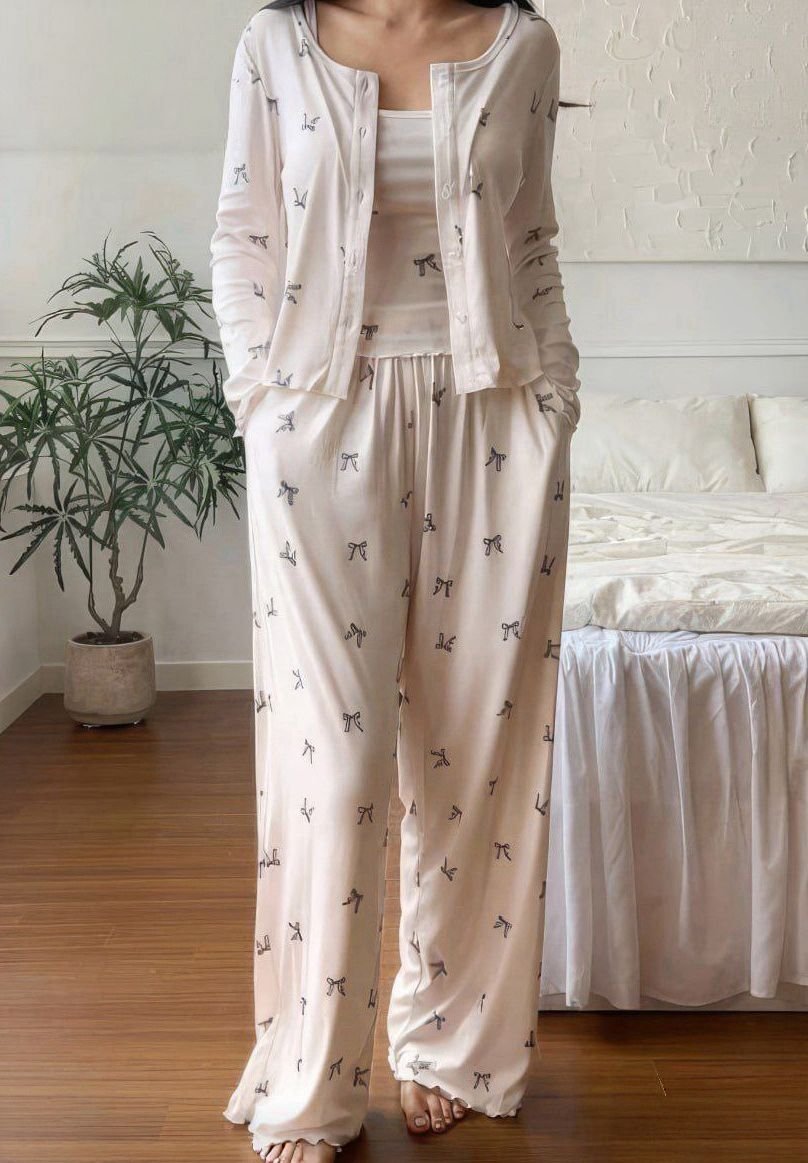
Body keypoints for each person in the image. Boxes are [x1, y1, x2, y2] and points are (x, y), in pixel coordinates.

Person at [209, 1, 581, 1159]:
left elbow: (531, 238)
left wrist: (555, 397)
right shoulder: (277, 43)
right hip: (320, 417)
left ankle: (446, 1039)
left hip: (493, 417)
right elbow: (242, 234)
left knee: (475, 758)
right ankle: (312, 1076)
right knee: (337, 763)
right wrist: (259, 400)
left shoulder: (520, 44)